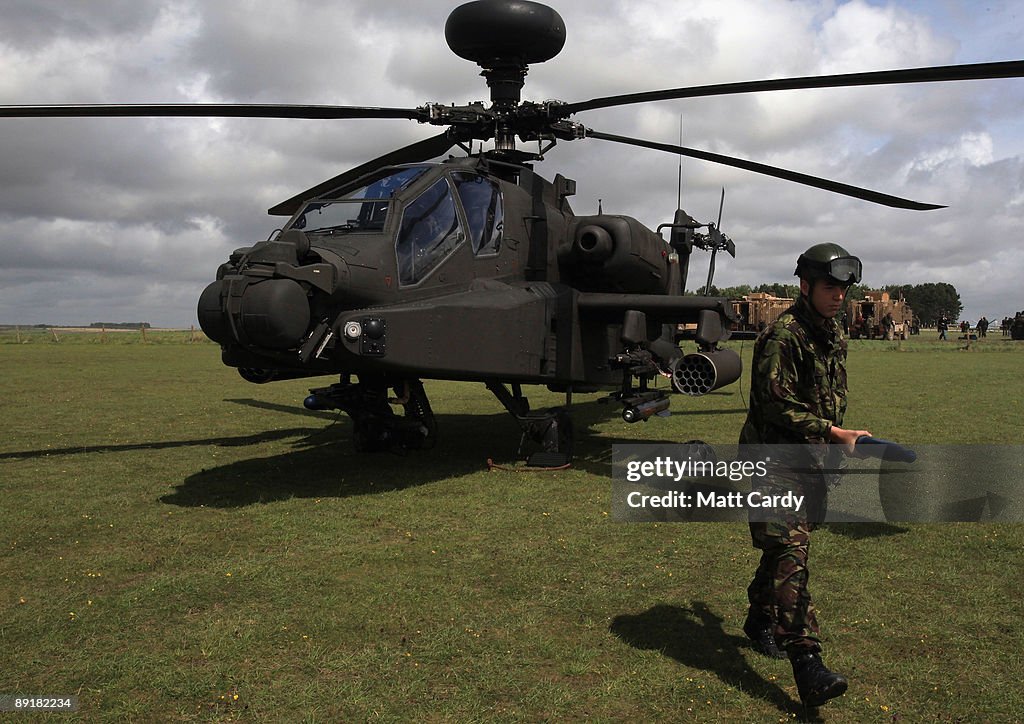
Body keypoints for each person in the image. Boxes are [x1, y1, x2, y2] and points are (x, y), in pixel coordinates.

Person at [739, 242, 871, 708]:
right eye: (830, 287)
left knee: (782, 547)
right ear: (805, 285)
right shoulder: (784, 336)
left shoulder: (833, 333)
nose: (838, 296)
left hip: (811, 459)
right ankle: (807, 663)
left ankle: (759, 617)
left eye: (843, 289)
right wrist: (833, 431)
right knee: (792, 552)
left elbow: (831, 392)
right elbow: (776, 405)